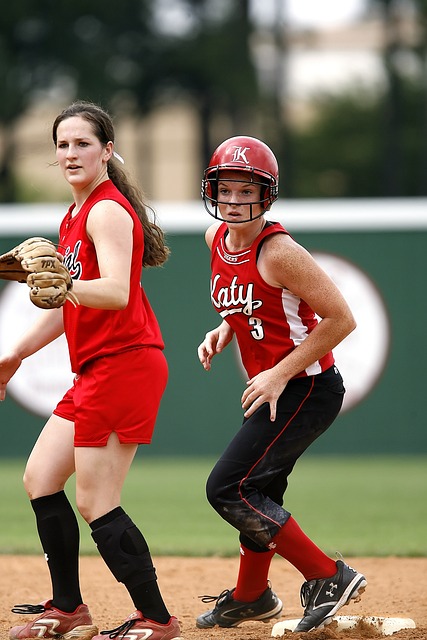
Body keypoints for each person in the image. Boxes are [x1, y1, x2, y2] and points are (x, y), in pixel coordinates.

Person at [0, 101, 181, 640]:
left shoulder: (106, 209)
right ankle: (68, 608)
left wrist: (66, 284)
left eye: (83, 143)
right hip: (96, 371)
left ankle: (157, 619)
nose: (71, 153)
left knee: (96, 500)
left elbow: (117, 292)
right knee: (41, 478)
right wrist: (13, 355)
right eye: (62, 144)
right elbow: (65, 308)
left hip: (126, 364)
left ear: (107, 150)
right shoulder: (73, 217)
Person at [196, 136, 367, 633]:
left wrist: (278, 372)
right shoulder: (216, 240)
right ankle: (251, 596)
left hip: (307, 388)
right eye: (224, 188)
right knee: (262, 489)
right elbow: (250, 301)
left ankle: (328, 576)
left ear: (266, 195)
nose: (233, 200)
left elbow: (341, 319)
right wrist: (225, 328)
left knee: (228, 488)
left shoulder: (280, 250)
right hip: (275, 388)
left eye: (245, 190)